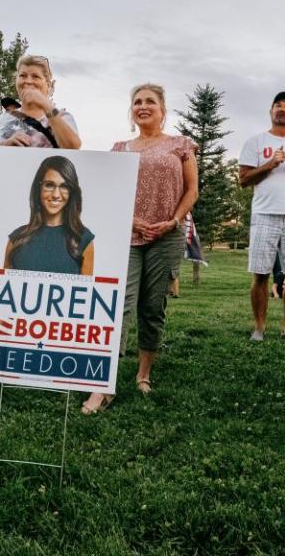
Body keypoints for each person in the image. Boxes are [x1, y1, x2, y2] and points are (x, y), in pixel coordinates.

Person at [81, 83, 198, 414]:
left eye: (150, 102)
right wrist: (130, 220)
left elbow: (192, 191)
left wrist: (174, 220)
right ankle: (103, 386)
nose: (143, 106)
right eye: (137, 102)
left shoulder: (181, 145)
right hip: (126, 235)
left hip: (166, 235)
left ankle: (143, 375)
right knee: (117, 307)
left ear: (163, 110)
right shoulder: (119, 149)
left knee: (152, 307)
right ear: (131, 111)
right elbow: (107, 193)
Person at [238, 92, 285, 343]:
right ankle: (259, 328)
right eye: (278, 106)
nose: (282, 109)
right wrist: (270, 164)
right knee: (260, 273)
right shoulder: (256, 142)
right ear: (271, 112)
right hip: (264, 213)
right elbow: (243, 180)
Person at [0, 55, 81, 216]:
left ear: (48, 84)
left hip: (41, 210)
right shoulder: (2, 119)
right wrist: (5, 146)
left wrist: (46, 105)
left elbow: (73, 147)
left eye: (35, 76)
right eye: (22, 76)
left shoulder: (61, 117)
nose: (28, 81)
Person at [3, 156, 94, 275]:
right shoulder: (17, 238)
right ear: (38, 187)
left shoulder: (83, 240)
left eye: (64, 186)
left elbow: (86, 292)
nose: (56, 194)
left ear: (72, 191)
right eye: (49, 185)